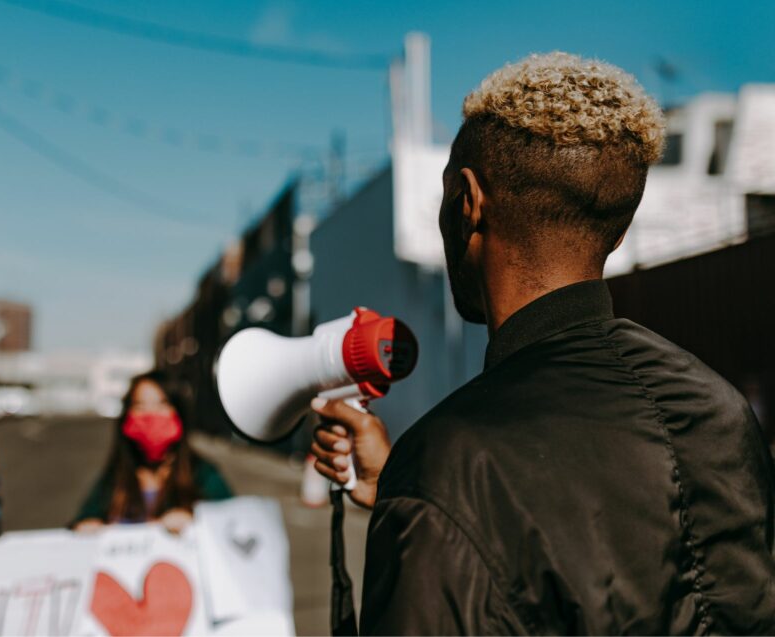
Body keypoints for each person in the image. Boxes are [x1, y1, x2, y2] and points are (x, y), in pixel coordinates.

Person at [312, 52, 775, 634]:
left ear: (468, 202)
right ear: (621, 227)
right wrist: (408, 498)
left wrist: (427, 499)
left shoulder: (450, 465)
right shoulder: (721, 410)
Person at [72, 371, 232, 534]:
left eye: (162, 404)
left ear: (179, 413)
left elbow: (233, 522)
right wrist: (85, 526)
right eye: (140, 406)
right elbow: (83, 521)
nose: (150, 415)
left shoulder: (203, 474)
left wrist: (196, 521)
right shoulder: (116, 478)